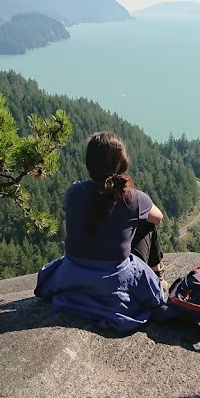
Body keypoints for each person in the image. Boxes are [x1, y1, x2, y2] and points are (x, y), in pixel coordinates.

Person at [35, 131, 166, 332]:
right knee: (147, 225)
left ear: (89, 165)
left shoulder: (74, 192)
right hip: (112, 279)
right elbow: (158, 217)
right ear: (122, 163)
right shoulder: (134, 198)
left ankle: (156, 275)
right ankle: (158, 276)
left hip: (73, 271)